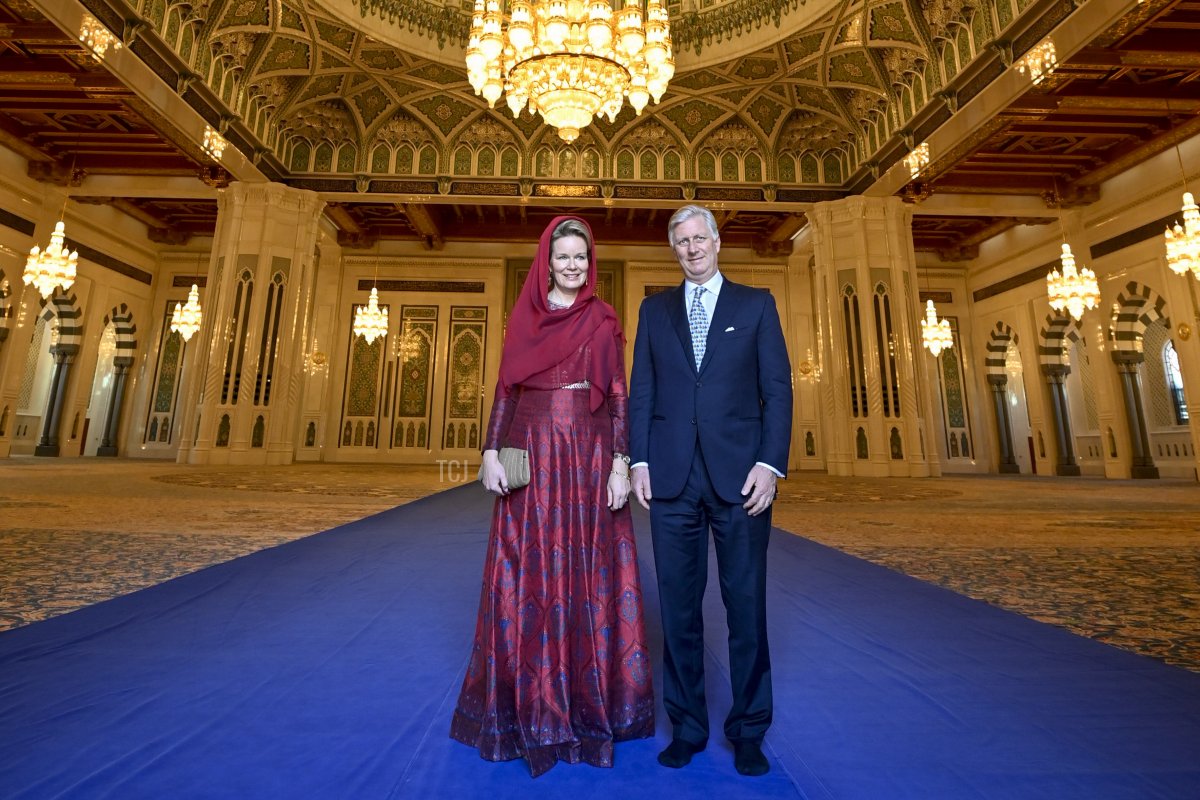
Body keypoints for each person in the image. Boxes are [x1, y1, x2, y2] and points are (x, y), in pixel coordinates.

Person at [450, 216, 654, 777]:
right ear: (547, 262)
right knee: (528, 571)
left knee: (589, 570)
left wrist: (620, 464)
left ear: (590, 263)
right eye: (562, 256)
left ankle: (589, 707)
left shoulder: (604, 319)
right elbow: (506, 390)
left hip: (588, 451)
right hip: (531, 446)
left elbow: (619, 396)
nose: (572, 265)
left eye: (580, 257)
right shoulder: (525, 317)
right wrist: (490, 451)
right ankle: (530, 707)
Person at [628, 204, 792, 777]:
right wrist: (639, 460)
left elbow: (778, 390)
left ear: (717, 242)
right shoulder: (654, 311)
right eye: (682, 242)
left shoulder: (756, 305)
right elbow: (642, 392)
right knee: (678, 609)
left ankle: (749, 730)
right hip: (671, 479)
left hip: (741, 479)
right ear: (673, 249)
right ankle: (688, 727)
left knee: (745, 606)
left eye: (700, 238)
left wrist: (770, 465)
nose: (692, 249)